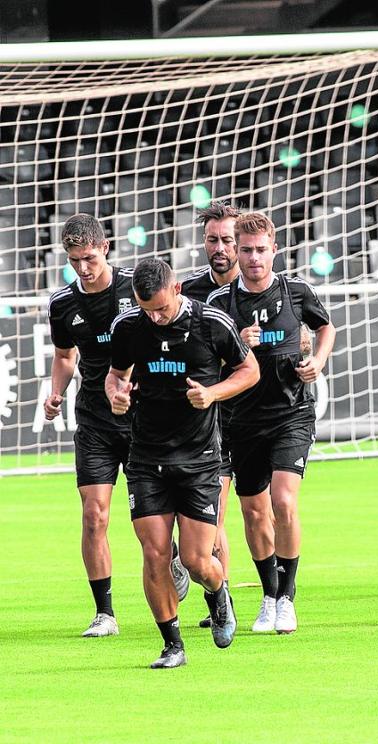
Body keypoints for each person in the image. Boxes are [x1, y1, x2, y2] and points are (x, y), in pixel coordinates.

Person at [105, 257, 259, 668]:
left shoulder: (212, 323)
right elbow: (116, 375)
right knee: (155, 553)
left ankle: (218, 591)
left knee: (195, 561)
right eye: (145, 308)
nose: (153, 316)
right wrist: (117, 395)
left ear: (176, 290)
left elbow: (249, 370)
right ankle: (172, 645)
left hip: (199, 458)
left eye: (159, 307)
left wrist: (212, 394)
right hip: (146, 457)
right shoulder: (128, 327)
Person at [206, 211, 336, 634]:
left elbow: (326, 327)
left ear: (274, 250)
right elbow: (207, 363)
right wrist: (234, 347)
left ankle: (287, 598)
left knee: (284, 501)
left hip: (291, 413)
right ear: (236, 252)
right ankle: (268, 594)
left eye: (262, 250)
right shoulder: (220, 306)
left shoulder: (296, 291)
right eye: (246, 250)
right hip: (241, 421)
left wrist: (317, 360)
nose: (254, 258)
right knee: (254, 511)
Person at [44, 214, 157, 637]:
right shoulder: (62, 303)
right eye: (74, 261)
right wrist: (55, 392)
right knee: (94, 516)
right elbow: (64, 356)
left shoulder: (135, 289)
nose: (83, 268)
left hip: (142, 419)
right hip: (93, 420)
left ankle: (178, 559)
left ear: (105, 248)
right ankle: (105, 613)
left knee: (150, 521)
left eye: (89, 258)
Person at [180, 201, 241, 628]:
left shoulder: (262, 285)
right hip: (208, 421)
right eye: (212, 239)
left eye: (227, 240)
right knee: (214, 512)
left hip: (256, 416)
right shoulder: (188, 292)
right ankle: (220, 601)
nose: (218, 248)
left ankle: (276, 594)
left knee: (265, 510)